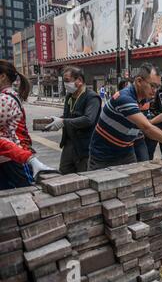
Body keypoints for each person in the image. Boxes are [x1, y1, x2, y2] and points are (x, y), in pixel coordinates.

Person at [88, 63, 162, 170]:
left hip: (126, 151)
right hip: (103, 154)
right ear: (139, 81)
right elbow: (147, 127)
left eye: (157, 87)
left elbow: (148, 123)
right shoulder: (125, 98)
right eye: (152, 86)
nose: (155, 91)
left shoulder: (144, 100)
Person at [0, 60, 53, 189]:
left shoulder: (4, 99)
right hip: (9, 157)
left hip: (13, 159)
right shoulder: (9, 96)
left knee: (27, 195)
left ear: (2, 76)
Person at [45, 66, 102, 174]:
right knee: (64, 173)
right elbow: (68, 116)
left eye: (67, 80)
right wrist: (56, 121)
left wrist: (63, 122)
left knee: (83, 178)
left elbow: (88, 119)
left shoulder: (92, 98)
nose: (65, 84)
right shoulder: (69, 96)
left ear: (79, 80)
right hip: (69, 143)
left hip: (85, 147)